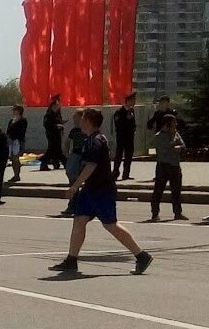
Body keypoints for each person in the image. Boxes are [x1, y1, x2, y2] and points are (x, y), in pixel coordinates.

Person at [48, 109, 153, 275]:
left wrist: (74, 186)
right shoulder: (92, 139)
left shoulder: (95, 141)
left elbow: (91, 165)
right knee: (79, 220)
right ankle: (71, 260)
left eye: (82, 118)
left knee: (110, 224)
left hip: (101, 190)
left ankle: (141, 256)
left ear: (88, 121)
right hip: (90, 189)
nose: (79, 121)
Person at [148, 114, 187, 222]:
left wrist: (179, 147)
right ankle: (155, 213)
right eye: (173, 122)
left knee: (176, 191)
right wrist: (174, 146)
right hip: (163, 166)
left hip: (175, 166)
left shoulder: (176, 133)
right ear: (167, 124)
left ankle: (177, 213)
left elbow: (183, 146)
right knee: (158, 191)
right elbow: (166, 147)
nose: (176, 124)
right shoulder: (159, 136)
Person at [58, 109, 89, 217]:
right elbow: (67, 142)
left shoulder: (86, 130)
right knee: (72, 179)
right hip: (75, 156)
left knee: (80, 182)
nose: (74, 119)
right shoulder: (74, 131)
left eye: (76, 117)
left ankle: (76, 205)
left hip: (84, 157)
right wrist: (67, 153)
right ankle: (73, 205)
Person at [112, 94, 138, 181]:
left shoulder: (131, 111)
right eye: (133, 100)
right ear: (128, 101)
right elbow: (118, 125)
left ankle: (126, 174)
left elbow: (133, 123)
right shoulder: (119, 112)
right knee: (118, 156)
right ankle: (115, 174)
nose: (134, 102)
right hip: (121, 138)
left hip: (130, 138)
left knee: (129, 156)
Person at [40, 96, 64, 172]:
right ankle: (44, 164)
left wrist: (61, 125)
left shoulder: (57, 113)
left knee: (58, 149)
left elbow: (59, 121)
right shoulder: (49, 114)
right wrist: (56, 126)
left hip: (57, 133)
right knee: (52, 149)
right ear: (53, 105)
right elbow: (47, 124)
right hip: (51, 134)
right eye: (57, 104)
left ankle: (56, 163)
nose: (58, 106)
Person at [6, 105, 28, 183]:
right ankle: (15, 174)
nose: (13, 111)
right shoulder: (11, 120)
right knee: (13, 159)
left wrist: (15, 137)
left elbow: (22, 131)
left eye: (15, 110)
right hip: (11, 142)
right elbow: (8, 131)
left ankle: (17, 175)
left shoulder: (23, 120)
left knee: (16, 158)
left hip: (18, 142)